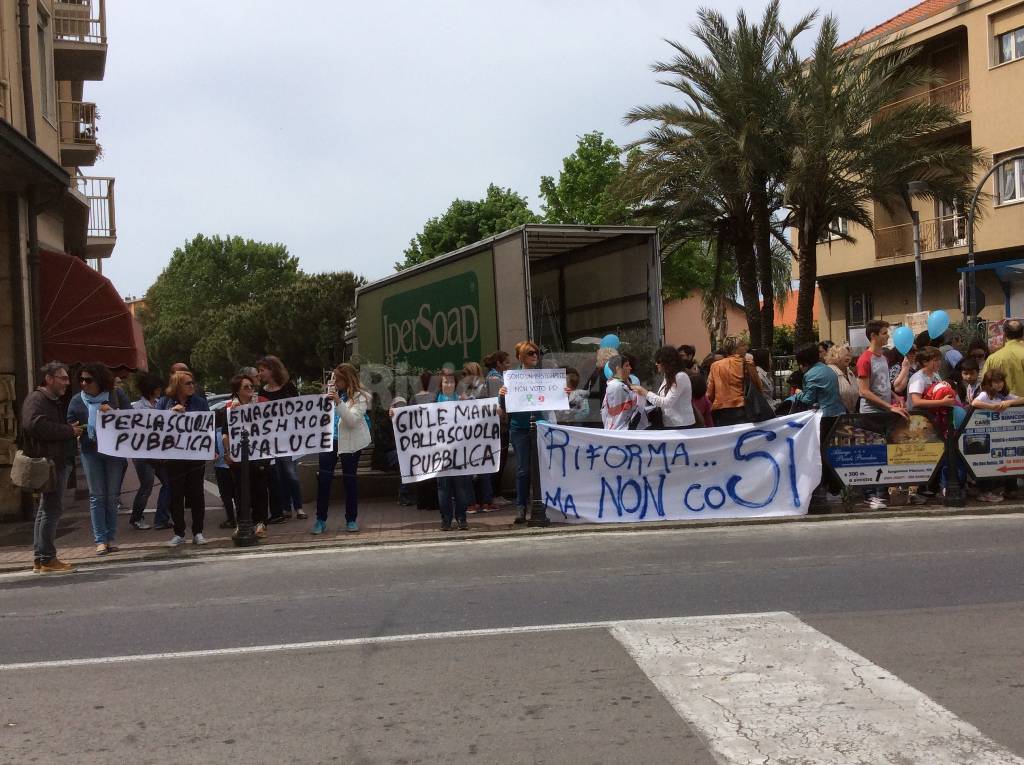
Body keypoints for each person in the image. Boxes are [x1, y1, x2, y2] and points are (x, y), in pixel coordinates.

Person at [22, 362, 82, 574]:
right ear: (48, 379)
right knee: (51, 509)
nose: (67, 382)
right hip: (50, 463)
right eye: (62, 378)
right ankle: (47, 559)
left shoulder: (51, 401)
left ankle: (41, 558)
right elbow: (35, 425)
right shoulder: (37, 399)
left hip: (56, 461)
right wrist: (68, 431)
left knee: (45, 509)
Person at [67, 362, 130, 556]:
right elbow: (69, 421)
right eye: (81, 380)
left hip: (113, 452)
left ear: (100, 380)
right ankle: (100, 540)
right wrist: (76, 429)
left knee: (111, 496)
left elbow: (133, 418)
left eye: (88, 380)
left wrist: (114, 414)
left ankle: (111, 538)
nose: (84, 384)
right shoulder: (77, 400)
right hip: (90, 451)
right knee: (97, 496)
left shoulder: (116, 396)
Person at [498, 340, 561, 526]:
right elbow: (504, 407)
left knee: (542, 468)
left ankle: (542, 505)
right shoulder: (512, 378)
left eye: (536, 353)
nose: (535, 356)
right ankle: (521, 507)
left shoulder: (543, 377)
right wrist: (502, 395)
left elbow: (553, 398)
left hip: (540, 426)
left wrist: (562, 393)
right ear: (520, 357)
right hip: (519, 427)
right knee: (523, 469)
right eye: (530, 353)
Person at [856, 320, 909, 510]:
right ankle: (870, 495)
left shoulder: (883, 358)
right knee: (872, 455)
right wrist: (890, 407)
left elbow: (884, 384)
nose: (888, 336)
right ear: (874, 336)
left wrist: (896, 397)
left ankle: (881, 493)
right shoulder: (864, 359)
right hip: (871, 415)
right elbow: (864, 391)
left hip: (884, 412)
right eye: (885, 333)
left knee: (885, 454)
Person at [313, 363, 370, 534]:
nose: (334, 382)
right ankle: (320, 519)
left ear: (347, 379)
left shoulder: (361, 397)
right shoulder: (328, 397)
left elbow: (351, 421)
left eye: (337, 379)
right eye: (332, 379)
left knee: (349, 480)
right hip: (329, 442)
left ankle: (351, 519)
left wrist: (338, 402)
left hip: (351, 444)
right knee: (324, 480)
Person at [158, 370, 210, 546]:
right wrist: (171, 414)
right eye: (188, 383)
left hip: (195, 456)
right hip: (173, 457)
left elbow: (206, 427)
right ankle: (179, 533)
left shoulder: (200, 403)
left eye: (192, 382)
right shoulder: (164, 403)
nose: (192, 386)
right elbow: (156, 426)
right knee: (176, 495)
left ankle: (198, 532)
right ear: (178, 385)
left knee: (197, 495)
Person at [794, 343, 846, 504]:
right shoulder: (827, 369)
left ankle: (831, 488)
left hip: (825, 417)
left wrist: (798, 393)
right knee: (833, 452)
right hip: (838, 414)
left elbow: (809, 398)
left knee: (822, 454)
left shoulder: (811, 375)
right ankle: (838, 488)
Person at [257, 355, 307, 522]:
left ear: (272, 370)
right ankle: (286, 507)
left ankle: (298, 507)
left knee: (290, 472)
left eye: (262, 370)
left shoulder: (288, 387)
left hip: (288, 438)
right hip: (271, 439)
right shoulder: (262, 391)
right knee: (277, 475)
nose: (260, 373)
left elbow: (298, 409)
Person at [223, 373, 271, 537]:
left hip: (259, 455)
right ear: (237, 391)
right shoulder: (229, 407)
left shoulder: (262, 403)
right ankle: (242, 523)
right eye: (246, 387)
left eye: (251, 386)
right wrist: (228, 451)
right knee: (240, 492)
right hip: (238, 458)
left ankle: (261, 523)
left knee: (260, 490)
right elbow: (225, 433)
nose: (250, 389)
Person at [970, 369, 1024, 502]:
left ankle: (1010, 489)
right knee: (988, 463)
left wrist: (1009, 403)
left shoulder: (1004, 396)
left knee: (1007, 460)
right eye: (996, 382)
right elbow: (975, 403)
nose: (999, 385)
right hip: (986, 436)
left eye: (1001, 381)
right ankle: (984, 491)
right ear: (989, 383)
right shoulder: (985, 395)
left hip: (1002, 436)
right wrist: (991, 407)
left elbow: (1022, 399)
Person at [435, 369, 474, 530]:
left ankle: (461, 517)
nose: (449, 384)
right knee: (443, 488)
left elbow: (478, 414)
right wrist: (394, 412)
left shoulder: (463, 399)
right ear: (441, 384)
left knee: (461, 488)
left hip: (460, 452)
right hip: (440, 451)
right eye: (446, 382)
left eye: (452, 382)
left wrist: (468, 403)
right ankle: (446, 519)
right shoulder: (432, 400)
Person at [459, 362, 497, 515]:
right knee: (481, 468)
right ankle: (483, 501)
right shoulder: (479, 388)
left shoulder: (481, 388)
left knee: (477, 468)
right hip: (476, 433)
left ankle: (475, 502)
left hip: (478, 433)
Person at [127, 373, 163, 530]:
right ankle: (136, 517)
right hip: (142, 455)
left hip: (158, 453)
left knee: (168, 482)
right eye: (158, 388)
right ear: (152, 390)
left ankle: (163, 515)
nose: (160, 390)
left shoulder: (160, 404)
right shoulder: (137, 408)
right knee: (146, 485)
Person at [631, 346, 695, 429]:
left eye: (658, 361)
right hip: (670, 424)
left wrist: (645, 392)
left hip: (681, 425)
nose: (656, 364)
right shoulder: (668, 377)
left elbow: (667, 403)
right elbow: (662, 398)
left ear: (668, 363)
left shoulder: (680, 377)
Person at [706, 336, 762, 426]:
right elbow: (758, 386)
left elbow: (709, 392)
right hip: (742, 409)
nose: (746, 348)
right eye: (743, 345)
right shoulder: (747, 363)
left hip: (720, 411)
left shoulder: (715, 366)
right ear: (735, 349)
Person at [982, 319, 1024, 397]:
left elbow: (984, 384)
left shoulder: (992, 358)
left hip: (1000, 406)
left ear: (1004, 335)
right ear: (1022, 335)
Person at [602, 355, 644, 430]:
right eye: (626, 365)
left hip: (616, 428)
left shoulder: (616, 384)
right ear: (618, 368)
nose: (630, 368)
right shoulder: (617, 386)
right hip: (619, 429)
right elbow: (634, 403)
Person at [824, 345, 859, 413]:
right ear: (835, 356)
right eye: (845, 355)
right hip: (835, 415)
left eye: (849, 355)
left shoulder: (849, 372)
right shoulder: (829, 372)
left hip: (851, 414)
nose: (848, 358)